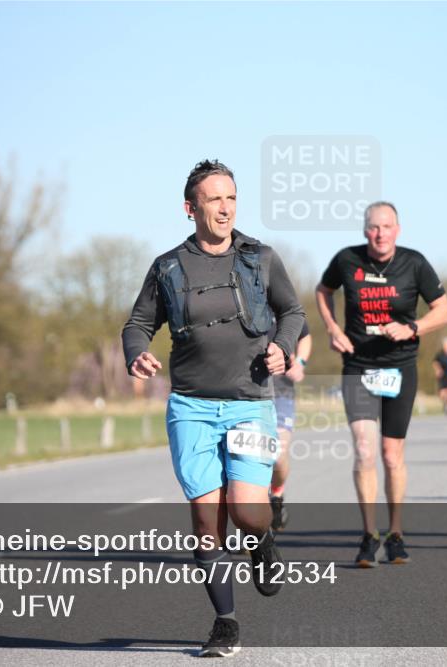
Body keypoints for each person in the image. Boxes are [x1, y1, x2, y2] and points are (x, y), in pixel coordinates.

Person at [122, 159, 305, 657]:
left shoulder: (261, 258)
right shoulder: (167, 267)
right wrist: (136, 352)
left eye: (231, 199)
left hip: (250, 403)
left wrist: (283, 348)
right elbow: (137, 323)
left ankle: (263, 541)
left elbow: (292, 311)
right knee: (207, 520)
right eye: (214, 199)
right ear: (191, 208)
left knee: (247, 510)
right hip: (191, 406)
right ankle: (225, 622)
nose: (225, 208)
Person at [315, 201, 447, 567]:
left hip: (400, 367)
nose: (380, 233)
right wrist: (332, 329)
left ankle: (396, 533)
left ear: (398, 229)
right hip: (358, 366)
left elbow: (444, 310)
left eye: (387, 226)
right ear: (365, 230)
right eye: (374, 227)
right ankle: (368, 534)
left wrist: (412, 328)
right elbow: (322, 291)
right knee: (363, 449)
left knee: (392, 455)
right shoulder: (347, 260)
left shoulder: (415, 263)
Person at [269, 323, 312, 530]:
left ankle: (276, 494)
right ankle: (249, 522)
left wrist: (300, 363)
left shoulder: (280, 298)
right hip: (244, 390)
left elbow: (305, 335)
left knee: (276, 454)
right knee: (248, 457)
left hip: (280, 391)